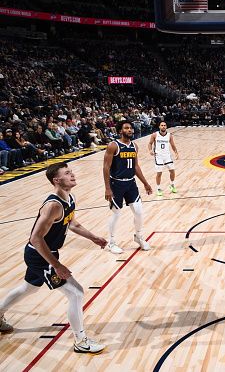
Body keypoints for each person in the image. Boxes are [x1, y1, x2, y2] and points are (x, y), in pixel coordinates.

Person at [0, 162, 107, 354]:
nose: (73, 174)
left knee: (29, 288)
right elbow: (36, 238)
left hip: (45, 253)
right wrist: (56, 265)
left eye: (71, 171)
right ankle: (81, 341)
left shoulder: (69, 198)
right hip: (38, 255)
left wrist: (93, 238)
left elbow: (72, 224)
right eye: (67, 173)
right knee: (76, 293)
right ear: (56, 180)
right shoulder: (52, 205)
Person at [103, 120, 152, 254]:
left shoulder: (134, 146)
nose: (130, 130)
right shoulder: (113, 145)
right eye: (126, 128)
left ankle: (138, 236)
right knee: (116, 214)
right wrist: (107, 188)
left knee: (139, 212)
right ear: (120, 131)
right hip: (116, 184)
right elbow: (106, 167)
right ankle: (112, 243)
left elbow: (136, 166)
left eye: (131, 128)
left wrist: (145, 183)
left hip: (131, 183)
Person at [148, 121, 179, 197]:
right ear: (159, 126)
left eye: (164, 125)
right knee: (159, 173)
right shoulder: (155, 135)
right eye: (162, 125)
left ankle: (172, 185)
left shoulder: (169, 135)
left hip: (167, 156)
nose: (163, 126)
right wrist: (150, 150)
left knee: (172, 171)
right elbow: (150, 143)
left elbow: (172, 145)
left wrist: (176, 153)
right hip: (159, 156)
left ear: (166, 126)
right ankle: (158, 188)